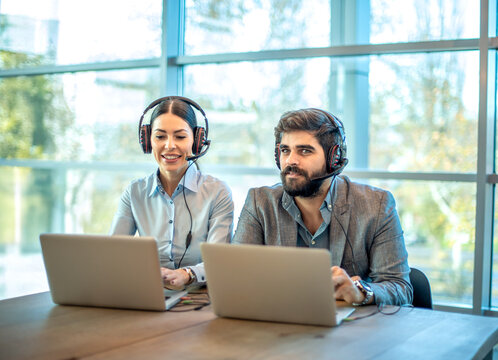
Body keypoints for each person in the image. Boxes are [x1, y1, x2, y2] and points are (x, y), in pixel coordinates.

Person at [233, 108, 412, 306]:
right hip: (277, 322)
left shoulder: (376, 205)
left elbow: (400, 288)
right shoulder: (260, 202)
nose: (291, 160)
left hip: (349, 330)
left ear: (333, 159)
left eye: (305, 151)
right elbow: (235, 277)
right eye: (285, 150)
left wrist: (360, 292)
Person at [110, 96, 234, 289]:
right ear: (148, 140)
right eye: (160, 136)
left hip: (200, 297)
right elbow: (113, 254)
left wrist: (188, 274)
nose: (169, 145)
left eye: (180, 136)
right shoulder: (134, 192)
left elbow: (220, 259)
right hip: (147, 292)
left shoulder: (217, 192)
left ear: (197, 141)